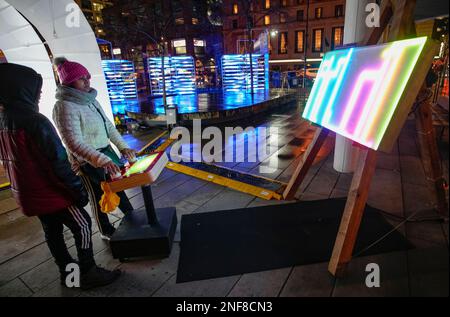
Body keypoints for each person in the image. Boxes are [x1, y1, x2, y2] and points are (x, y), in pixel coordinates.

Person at [0, 63, 120, 289]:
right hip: (51, 192)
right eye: (36, 88)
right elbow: (57, 162)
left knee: (51, 230)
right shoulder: (36, 121)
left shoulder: (3, 120)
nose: (40, 92)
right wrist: (77, 190)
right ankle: (88, 271)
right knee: (83, 224)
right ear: (22, 88)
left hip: (27, 194)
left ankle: (67, 272)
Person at [52, 57, 136, 240]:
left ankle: (132, 216)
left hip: (106, 153)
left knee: (118, 185)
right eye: (81, 78)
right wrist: (100, 160)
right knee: (98, 195)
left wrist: (123, 147)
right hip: (87, 161)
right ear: (68, 82)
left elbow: (108, 126)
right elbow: (73, 142)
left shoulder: (91, 99)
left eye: (87, 76)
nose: (87, 80)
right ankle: (106, 231)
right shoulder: (64, 106)